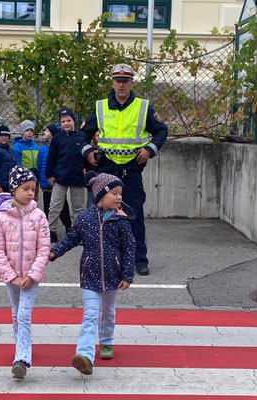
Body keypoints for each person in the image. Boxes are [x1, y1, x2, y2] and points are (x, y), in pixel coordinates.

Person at [80, 63, 168, 276]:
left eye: (125, 81)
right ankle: (102, 258)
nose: (121, 85)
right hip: (107, 169)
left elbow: (161, 131)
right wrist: (87, 151)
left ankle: (139, 260)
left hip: (131, 170)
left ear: (131, 83)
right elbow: (82, 134)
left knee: (134, 216)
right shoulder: (100, 107)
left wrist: (150, 149)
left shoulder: (143, 107)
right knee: (103, 216)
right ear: (113, 83)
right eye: (118, 81)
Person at [49, 171, 135, 375]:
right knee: (90, 314)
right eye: (114, 193)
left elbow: (129, 248)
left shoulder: (121, 221)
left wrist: (127, 275)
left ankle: (106, 342)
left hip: (113, 275)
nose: (119, 197)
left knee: (108, 312)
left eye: (120, 193)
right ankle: (85, 355)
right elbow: (71, 239)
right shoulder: (85, 218)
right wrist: (55, 252)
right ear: (100, 195)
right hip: (89, 275)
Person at [0, 165, 50, 379]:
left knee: (24, 314)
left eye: (33, 189)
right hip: (12, 276)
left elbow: (44, 248)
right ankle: (21, 345)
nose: (30, 193)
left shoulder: (39, 216)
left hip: (32, 276)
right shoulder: (1, 218)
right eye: (26, 189)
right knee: (16, 312)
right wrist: (11, 276)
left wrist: (33, 275)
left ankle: (22, 358)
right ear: (14, 189)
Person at [45, 109, 86, 243]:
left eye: (69, 120)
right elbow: (51, 158)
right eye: (63, 121)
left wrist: (89, 175)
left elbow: (87, 158)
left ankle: (78, 233)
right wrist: (48, 175)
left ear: (74, 121)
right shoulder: (57, 139)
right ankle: (51, 231)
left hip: (77, 178)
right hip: (60, 178)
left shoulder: (81, 137)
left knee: (78, 208)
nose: (66, 123)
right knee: (54, 206)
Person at [37, 124, 72, 233]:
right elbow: (39, 165)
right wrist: (42, 178)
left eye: (47, 131)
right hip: (46, 183)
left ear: (53, 134)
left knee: (62, 207)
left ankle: (68, 226)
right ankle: (49, 231)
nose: (44, 132)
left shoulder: (60, 147)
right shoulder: (42, 149)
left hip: (57, 182)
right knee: (48, 208)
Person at [12, 119, 40, 200]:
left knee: (34, 197)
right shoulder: (17, 146)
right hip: (24, 177)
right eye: (27, 130)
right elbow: (17, 163)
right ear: (22, 132)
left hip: (35, 176)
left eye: (31, 130)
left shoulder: (35, 145)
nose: (29, 132)